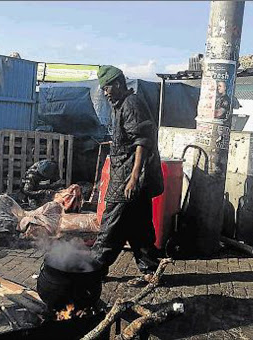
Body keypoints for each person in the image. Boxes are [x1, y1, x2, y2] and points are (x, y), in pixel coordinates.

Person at [91, 65, 164, 287]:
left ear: (120, 84)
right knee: (138, 225)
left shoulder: (131, 104)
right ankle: (151, 270)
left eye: (108, 87)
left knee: (110, 225)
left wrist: (133, 178)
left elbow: (142, 142)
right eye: (103, 89)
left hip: (128, 178)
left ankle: (92, 270)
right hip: (125, 175)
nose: (105, 93)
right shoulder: (121, 105)